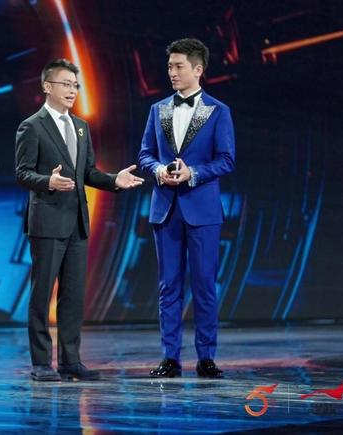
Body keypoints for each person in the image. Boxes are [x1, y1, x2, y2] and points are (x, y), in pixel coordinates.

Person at [15, 59, 144, 382]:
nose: (72, 90)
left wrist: (114, 180)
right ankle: (41, 363)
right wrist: (48, 181)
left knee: (73, 295)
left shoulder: (81, 126)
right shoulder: (32, 126)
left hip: (77, 223)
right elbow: (23, 172)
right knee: (42, 295)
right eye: (66, 84)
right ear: (47, 86)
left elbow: (87, 172)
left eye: (75, 85)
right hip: (47, 222)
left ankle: (71, 361)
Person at [139, 38, 235, 379]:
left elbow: (226, 160)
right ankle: (171, 357)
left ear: (198, 69)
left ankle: (206, 357)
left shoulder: (218, 111)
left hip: (202, 210)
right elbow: (145, 153)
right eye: (169, 66)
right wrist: (158, 170)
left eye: (178, 66)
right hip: (166, 208)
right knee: (169, 286)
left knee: (205, 284)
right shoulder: (158, 109)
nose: (172, 72)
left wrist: (193, 173)